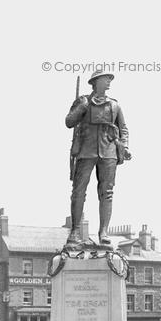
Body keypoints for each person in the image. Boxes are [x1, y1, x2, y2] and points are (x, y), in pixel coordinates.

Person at [64, 69, 130, 246]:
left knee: (107, 193)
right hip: (86, 151)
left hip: (108, 152)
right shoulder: (83, 101)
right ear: (95, 82)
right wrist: (82, 108)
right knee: (78, 191)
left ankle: (104, 232)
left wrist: (125, 146)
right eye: (105, 79)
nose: (109, 82)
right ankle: (75, 231)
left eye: (110, 79)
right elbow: (69, 122)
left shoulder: (115, 105)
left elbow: (123, 129)